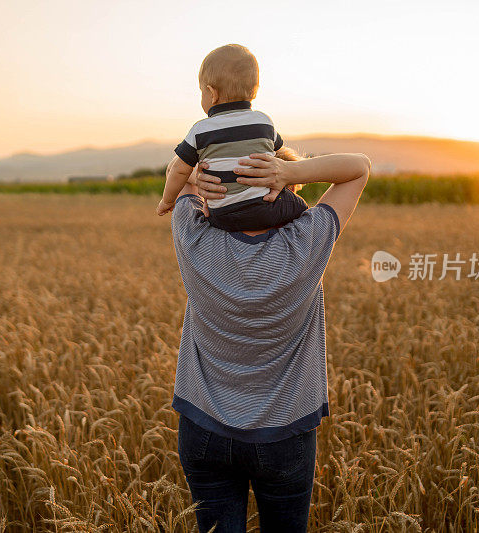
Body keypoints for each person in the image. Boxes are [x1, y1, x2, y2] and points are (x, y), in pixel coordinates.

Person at [168, 150, 371, 532]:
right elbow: (358, 168)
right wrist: (289, 170)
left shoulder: (193, 236)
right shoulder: (305, 242)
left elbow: (183, 176)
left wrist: (212, 172)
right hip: (285, 433)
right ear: (286, 190)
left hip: (203, 428)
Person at [156, 43, 309, 231]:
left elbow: (178, 170)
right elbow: (279, 155)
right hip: (264, 210)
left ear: (212, 94)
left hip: (220, 216)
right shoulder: (264, 122)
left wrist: (166, 200)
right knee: (301, 208)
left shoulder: (200, 130)